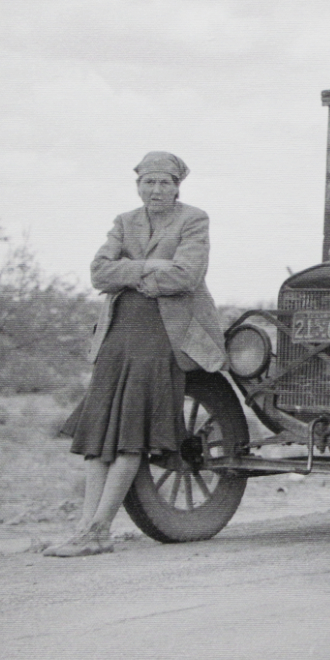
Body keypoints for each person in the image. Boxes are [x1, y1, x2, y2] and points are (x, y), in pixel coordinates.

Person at [45, 152, 227, 558]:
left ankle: (98, 530)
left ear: (178, 186)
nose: (156, 190)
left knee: (131, 438)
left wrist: (130, 271)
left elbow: (186, 276)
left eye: (165, 183)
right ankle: (85, 529)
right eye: (149, 183)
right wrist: (152, 266)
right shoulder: (124, 221)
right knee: (100, 435)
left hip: (164, 334)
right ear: (138, 185)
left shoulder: (194, 219)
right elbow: (98, 273)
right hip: (119, 334)